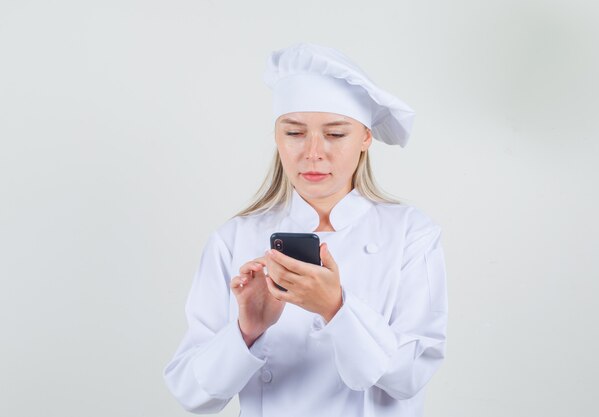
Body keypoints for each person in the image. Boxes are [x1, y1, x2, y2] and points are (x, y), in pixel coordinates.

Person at [163, 42, 448, 417]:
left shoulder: (411, 233)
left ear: (365, 138)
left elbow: (409, 375)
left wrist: (335, 308)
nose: (313, 153)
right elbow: (192, 394)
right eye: (295, 133)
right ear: (277, 137)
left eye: (335, 134)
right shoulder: (234, 238)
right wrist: (247, 331)